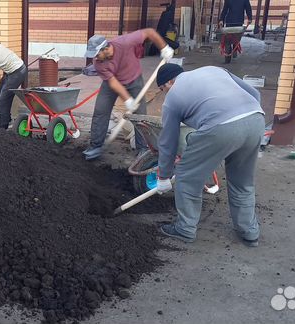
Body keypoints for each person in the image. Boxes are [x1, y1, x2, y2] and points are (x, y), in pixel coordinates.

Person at [154, 64, 264, 247]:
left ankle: (185, 228)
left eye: (162, 88)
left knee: (188, 177)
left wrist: (163, 176)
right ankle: (249, 232)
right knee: (242, 181)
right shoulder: (214, 70)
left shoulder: (173, 97)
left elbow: (168, 141)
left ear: (169, 82)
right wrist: (247, 117)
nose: (164, 93)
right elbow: (254, 93)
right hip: (256, 119)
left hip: (221, 128)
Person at [82, 30, 174, 160]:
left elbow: (149, 32)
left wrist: (164, 48)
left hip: (134, 79)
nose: (95, 58)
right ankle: (95, 146)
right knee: (100, 111)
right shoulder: (98, 63)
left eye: (97, 54)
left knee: (140, 115)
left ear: (105, 48)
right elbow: (113, 83)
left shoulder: (125, 42)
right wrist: (128, 100)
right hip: (111, 82)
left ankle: (142, 148)